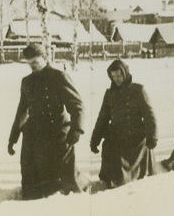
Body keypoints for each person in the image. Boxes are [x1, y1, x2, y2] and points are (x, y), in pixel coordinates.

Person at [8, 44, 87, 199]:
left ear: (45, 58)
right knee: (31, 174)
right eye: (29, 63)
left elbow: (77, 105)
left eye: (35, 62)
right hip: (35, 131)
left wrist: (76, 129)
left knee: (65, 180)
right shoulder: (27, 82)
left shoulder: (58, 76)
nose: (32, 67)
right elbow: (21, 111)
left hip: (57, 130)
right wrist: (13, 138)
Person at [89, 59, 157, 189]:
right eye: (113, 76)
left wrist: (153, 136)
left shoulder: (138, 90)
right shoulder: (110, 94)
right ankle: (110, 180)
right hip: (117, 134)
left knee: (121, 153)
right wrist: (95, 139)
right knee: (109, 146)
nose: (116, 79)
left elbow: (149, 115)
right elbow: (102, 118)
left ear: (125, 74)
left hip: (135, 135)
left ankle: (124, 180)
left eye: (119, 76)